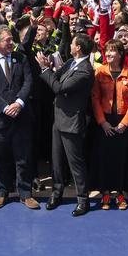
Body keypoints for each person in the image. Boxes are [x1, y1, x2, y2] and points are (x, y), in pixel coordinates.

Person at [0, 25, 38, 210]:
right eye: (7, 40)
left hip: (21, 117)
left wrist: (19, 103)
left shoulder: (21, 58)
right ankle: (1, 192)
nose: (11, 42)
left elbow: (28, 81)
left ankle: (25, 193)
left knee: (23, 157)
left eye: (12, 39)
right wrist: (5, 108)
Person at [37, 33, 95, 216]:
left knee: (75, 163)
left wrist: (45, 71)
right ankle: (57, 192)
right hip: (59, 118)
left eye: (72, 43)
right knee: (57, 161)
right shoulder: (71, 62)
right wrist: (49, 68)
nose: (70, 45)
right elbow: (57, 76)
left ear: (78, 48)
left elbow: (59, 87)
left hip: (72, 122)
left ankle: (83, 199)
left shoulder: (85, 70)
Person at [90, 39, 128, 210]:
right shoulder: (100, 72)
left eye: (113, 51)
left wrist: (125, 123)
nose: (109, 54)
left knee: (121, 158)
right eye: (107, 51)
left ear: (120, 54)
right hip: (104, 121)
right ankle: (105, 192)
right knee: (104, 157)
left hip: (122, 121)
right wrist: (102, 122)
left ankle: (119, 192)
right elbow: (95, 98)